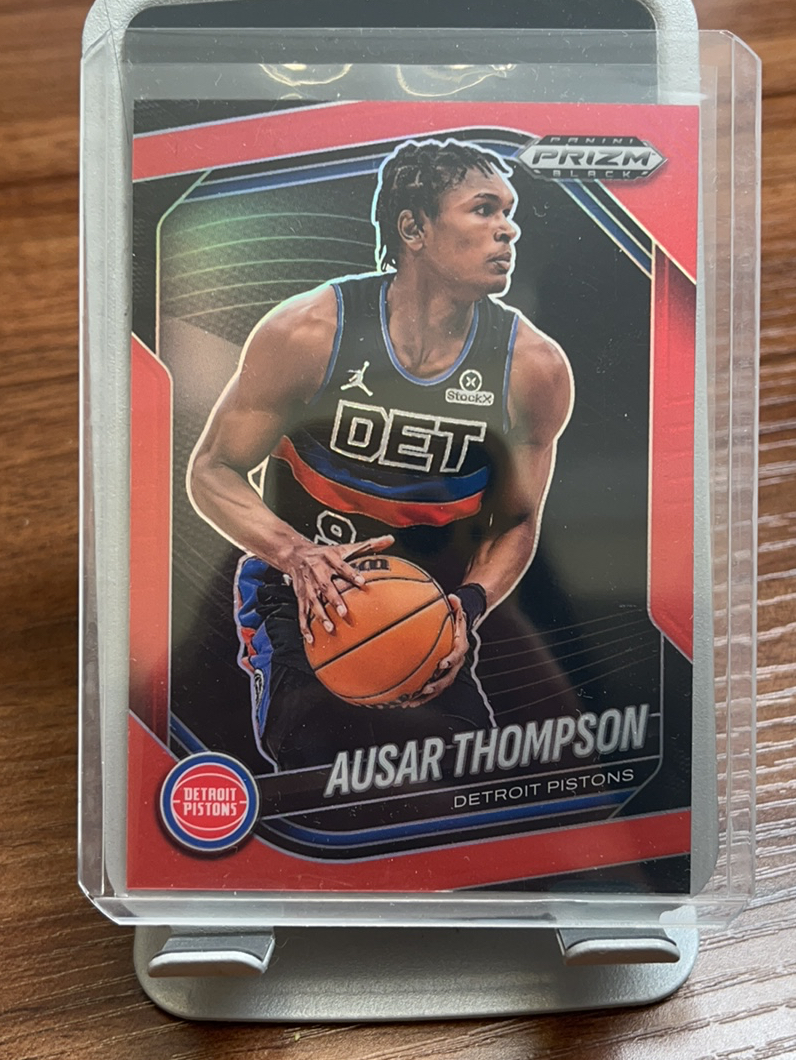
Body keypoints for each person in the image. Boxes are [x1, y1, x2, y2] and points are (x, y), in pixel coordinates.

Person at [188, 138, 573, 770]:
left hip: (429, 599)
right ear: (413, 228)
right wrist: (295, 554)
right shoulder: (307, 332)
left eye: (509, 212)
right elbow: (213, 469)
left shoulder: (533, 367)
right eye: (484, 209)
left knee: (468, 774)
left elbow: (517, 521)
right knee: (318, 765)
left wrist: (469, 606)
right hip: (304, 592)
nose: (508, 229)